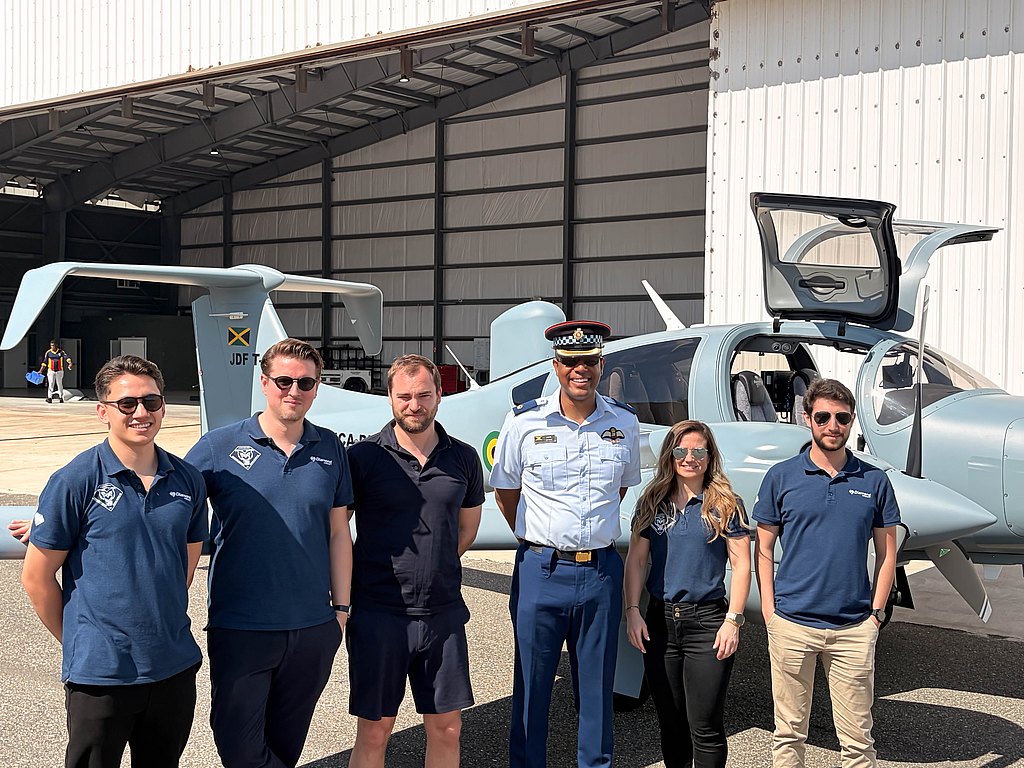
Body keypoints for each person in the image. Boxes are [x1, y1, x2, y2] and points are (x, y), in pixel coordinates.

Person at [21, 355, 208, 768]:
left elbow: (184, 569)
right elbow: (36, 578)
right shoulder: (75, 480)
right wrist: (81, 642)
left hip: (172, 666)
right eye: (127, 404)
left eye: (152, 401)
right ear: (103, 411)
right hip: (101, 675)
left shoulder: (187, 479)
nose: (141, 413)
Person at [185, 338, 353, 768]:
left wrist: (341, 612)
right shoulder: (218, 446)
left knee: (286, 745)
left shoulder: (330, 448)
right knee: (239, 746)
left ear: (316, 388)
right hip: (242, 627)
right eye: (283, 381)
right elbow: (159, 496)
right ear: (264, 382)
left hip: (313, 629)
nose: (293, 391)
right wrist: (60, 520)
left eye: (305, 382)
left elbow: (338, 532)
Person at [490, 320, 642, 768]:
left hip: (599, 572)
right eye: (570, 362)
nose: (581, 370)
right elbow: (506, 491)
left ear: (601, 364)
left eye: (589, 362)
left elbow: (619, 489)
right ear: (555, 365)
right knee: (532, 687)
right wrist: (541, 538)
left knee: (597, 690)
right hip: (542, 570)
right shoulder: (523, 421)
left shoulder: (624, 422)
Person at [753, 378, 901, 768]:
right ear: (808, 419)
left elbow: (888, 554)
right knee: (788, 735)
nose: (832, 425)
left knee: (858, 743)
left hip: (853, 628)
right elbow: (763, 549)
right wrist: (770, 612)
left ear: (851, 422)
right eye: (823, 417)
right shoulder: (781, 477)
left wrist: (876, 614)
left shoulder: (874, 481)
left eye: (842, 418)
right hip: (791, 624)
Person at [344, 354, 484, 768]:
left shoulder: (463, 458)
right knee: (374, 731)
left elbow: (466, 531)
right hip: (378, 614)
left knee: (447, 728)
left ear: (440, 396)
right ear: (388, 398)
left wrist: (432, 563)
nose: (414, 405)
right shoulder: (364, 458)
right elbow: (337, 531)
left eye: (424, 395)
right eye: (403, 396)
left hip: (442, 615)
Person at [624, 420, 751, 768]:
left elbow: (742, 566)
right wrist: (633, 611)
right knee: (671, 723)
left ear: (709, 457)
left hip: (708, 624)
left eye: (698, 451)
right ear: (670, 454)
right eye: (681, 450)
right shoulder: (652, 501)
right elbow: (636, 562)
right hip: (660, 623)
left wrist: (733, 620)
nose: (689, 458)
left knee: (705, 726)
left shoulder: (726, 504)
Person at [39, 339, 73, 403]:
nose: (52, 347)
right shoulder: (48, 352)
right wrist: (40, 370)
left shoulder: (61, 352)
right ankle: (49, 398)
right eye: (51, 345)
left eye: (53, 345)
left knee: (59, 384)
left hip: (59, 371)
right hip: (51, 370)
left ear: (56, 345)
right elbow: (44, 362)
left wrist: (70, 363)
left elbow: (67, 357)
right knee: (51, 384)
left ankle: (61, 397)